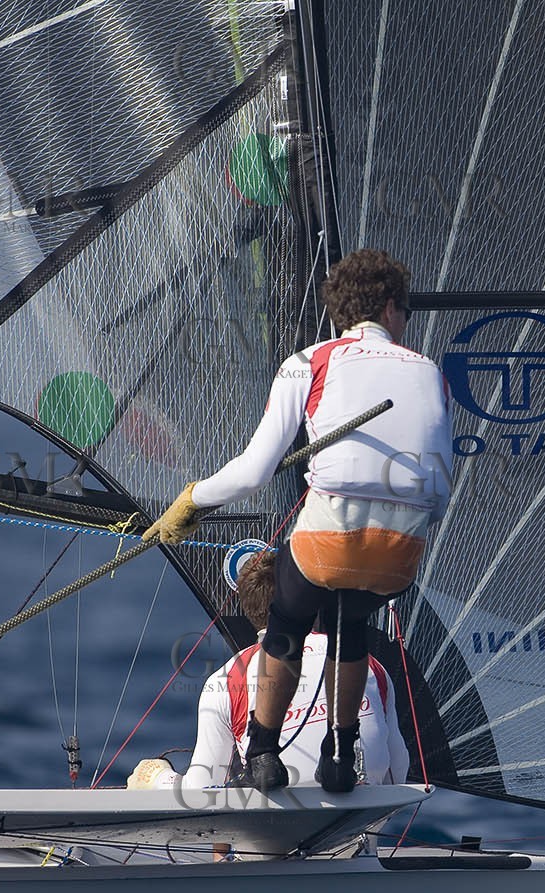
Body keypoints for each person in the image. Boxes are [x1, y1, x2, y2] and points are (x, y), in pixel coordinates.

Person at [144, 249, 450, 792]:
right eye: (404, 310)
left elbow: (254, 472)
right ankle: (341, 751)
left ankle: (263, 750)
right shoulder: (430, 372)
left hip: (329, 544)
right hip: (404, 555)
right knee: (350, 625)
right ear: (388, 306)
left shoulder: (309, 361)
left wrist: (191, 502)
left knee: (287, 619)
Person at [182, 549, 409, 790]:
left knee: (149, 774)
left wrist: (157, 776)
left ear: (248, 609)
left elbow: (201, 790)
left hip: (277, 817)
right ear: (307, 600)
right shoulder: (365, 664)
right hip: (361, 806)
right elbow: (397, 770)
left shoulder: (227, 679)